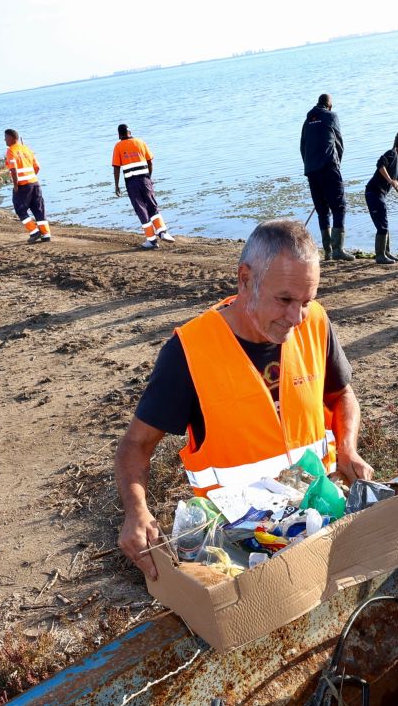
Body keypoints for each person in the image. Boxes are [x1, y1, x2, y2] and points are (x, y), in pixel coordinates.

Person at [115, 219, 374, 579]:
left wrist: (347, 448)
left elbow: (342, 395)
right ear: (245, 279)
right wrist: (136, 512)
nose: (296, 317)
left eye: (306, 300)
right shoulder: (189, 351)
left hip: (319, 516)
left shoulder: (314, 322)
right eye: (284, 300)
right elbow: (135, 445)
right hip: (238, 544)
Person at [299, 94, 353, 263]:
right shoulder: (331, 116)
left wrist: (310, 167)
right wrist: (337, 165)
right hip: (328, 167)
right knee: (339, 207)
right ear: (330, 106)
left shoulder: (307, 122)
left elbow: (302, 147)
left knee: (322, 211)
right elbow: (339, 143)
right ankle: (338, 249)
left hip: (311, 170)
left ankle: (328, 252)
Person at [112, 124, 173, 249]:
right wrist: (149, 178)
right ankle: (163, 232)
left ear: (119, 134)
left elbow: (116, 167)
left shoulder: (118, 146)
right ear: (130, 132)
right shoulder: (140, 142)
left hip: (131, 183)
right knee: (152, 205)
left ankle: (151, 240)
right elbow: (150, 161)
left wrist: (117, 185)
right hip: (145, 179)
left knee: (141, 209)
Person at [364, 130, 398, 265]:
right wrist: (390, 180)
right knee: (382, 225)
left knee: (384, 223)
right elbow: (380, 165)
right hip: (373, 193)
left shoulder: (397, 160)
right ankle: (380, 256)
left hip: (379, 195)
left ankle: (386, 252)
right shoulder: (391, 154)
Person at [3, 129, 51, 244]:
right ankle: (46, 234)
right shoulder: (27, 149)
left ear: (11, 138)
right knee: (38, 209)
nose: (4, 139)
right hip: (35, 183)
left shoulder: (10, 151)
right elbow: (37, 167)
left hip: (22, 185)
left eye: (5, 137)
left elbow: (13, 170)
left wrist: (15, 186)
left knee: (20, 209)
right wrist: (31, 177)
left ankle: (34, 232)